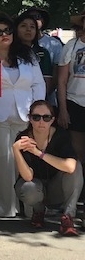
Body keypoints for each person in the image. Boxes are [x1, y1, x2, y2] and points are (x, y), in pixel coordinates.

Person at [0, 13, 46, 217]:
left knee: (22, 163)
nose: (4, 35)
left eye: (7, 30)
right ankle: (7, 208)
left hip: (24, 116)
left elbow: (38, 83)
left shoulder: (27, 55)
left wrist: (37, 113)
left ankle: (28, 207)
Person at [13, 100, 82, 236]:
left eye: (46, 118)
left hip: (57, 188)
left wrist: (38, 153)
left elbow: (70, 166)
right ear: (30, 119)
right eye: (36, 117)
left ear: (52, 120)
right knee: (28, 188)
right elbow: (27, 177)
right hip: (36, 188)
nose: (41, 122)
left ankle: (68, 217)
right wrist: (15, 150)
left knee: (76, 167)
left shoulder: (60, 135)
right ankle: (38, 211)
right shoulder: (23, 138)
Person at [57, 11, 85, 168]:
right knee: (78, 150)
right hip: (74, 102)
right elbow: (61, 81)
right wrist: (63, 110)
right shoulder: (71, 46)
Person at [14, 11, 53, 96]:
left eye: (32, 27)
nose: (28, 29)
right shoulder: (9, 52)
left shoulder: (43, 53)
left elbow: (47, 82)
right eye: (23, 26)